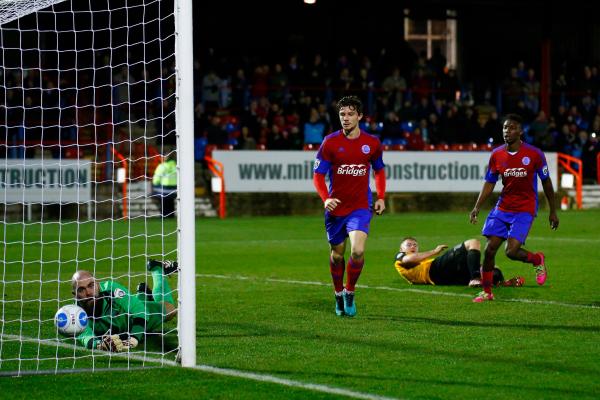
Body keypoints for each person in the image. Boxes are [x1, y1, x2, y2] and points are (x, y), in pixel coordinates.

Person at [470, 113, 559, 303]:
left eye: (511, 128)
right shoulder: (497, 155)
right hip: (502, 208)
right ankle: (487, 292)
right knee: (490, 249)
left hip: (524, 209)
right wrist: (477, 207)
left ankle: (537, 260)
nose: (507, 131)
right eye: (504, 128)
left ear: (520, 131)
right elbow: (489, 183)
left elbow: (547, 183)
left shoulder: (534, 154)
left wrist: (553, 210)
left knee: (511, 252)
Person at [313, 95, 386, 317]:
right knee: (337, 255)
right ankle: (337, 293)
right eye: (342, 114)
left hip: (360, 206)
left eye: (350, 114)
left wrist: (381, 196)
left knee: (358, 250)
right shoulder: (330, 142)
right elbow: (318, 175)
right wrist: (326, 198)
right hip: (336, 209)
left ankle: (350, 291)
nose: (345, 118)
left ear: (360, 116)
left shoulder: (371, 143)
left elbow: (379, 170)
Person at [71, 259, 178, 352]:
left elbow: (140, 310)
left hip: (132, 319)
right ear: (75, 295)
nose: (88, 292)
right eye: (81, 290)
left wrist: (134, 338)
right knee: (135, 303)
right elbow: (85, 337)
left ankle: (156, 269)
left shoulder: (111, 290)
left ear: (97, 284)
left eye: (91, 285)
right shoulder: (75, 314)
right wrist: (100, 345)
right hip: (121, 329)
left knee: (170, 310)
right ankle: (142, 293)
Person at [393, 237, 524, 287]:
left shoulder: (421, 259)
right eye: (409, 244)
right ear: (401, 249)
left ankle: (500, 283)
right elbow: (410, 259)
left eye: (415, 245)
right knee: (473, 242)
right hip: (434, 270)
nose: (413, 246)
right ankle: (474, 278)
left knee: (493, 269)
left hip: (443, 279)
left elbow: (415, 259)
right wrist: (434, 251)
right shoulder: (400, 257)